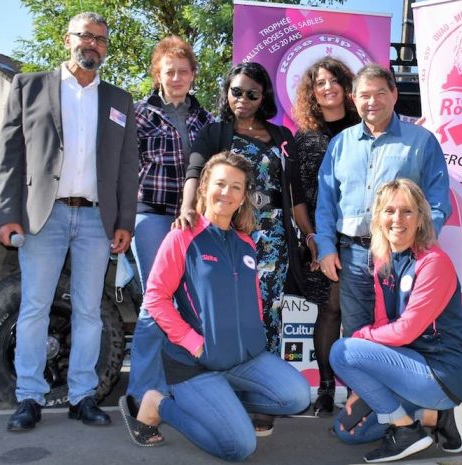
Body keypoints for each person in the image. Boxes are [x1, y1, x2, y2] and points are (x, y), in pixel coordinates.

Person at [0, 12, 139, 431]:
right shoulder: (29, 86)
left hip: (97, 219)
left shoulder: (118, 100)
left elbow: (128, 166)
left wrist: (124, 221)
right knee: (35, 307)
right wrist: (7, 213)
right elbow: (10, 156)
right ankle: (29, 398)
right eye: (85, 36)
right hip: (44, 216)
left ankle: (82, 396)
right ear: (67, 39)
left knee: (90, 311)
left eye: (100, 40)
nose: (92, 44)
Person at [125, 152, 310, 460]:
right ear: (205, 187)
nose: (227, 193)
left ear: (243, 197)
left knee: (297, 396)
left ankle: (220, 402)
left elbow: (250, 300)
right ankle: (159, 405)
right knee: (239, 447)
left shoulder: (246, 243)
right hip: (194, 363)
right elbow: (156, 298)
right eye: (221, 184)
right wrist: (193, 343)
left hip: (240, 358)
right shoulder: (183, 236)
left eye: (237, 187)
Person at [176, 62, 316, 434]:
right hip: (227, 235)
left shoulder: (281, 136)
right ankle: (223, 393)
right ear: (227, 92)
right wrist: (189, 209)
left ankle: (262, 399)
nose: (242, 99)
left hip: (271, 241)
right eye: (236, 91)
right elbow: (195, 172)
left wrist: (311, 235)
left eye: (252, 93)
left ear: (264, 97)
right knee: (224, 314)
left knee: (267, 314)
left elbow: (295, 194)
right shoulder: (214, 132)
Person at [329, 179, 462, 463]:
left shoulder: (434, 263)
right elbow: (385, 323)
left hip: (443, 373)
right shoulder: (383, 259)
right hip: (408, 368)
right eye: (389, 210)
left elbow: (405, 332)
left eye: (407, 211)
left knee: (342, 351)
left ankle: (406, 429)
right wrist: (367, 384)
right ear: (379, 217)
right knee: (348, 432)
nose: (397, 219)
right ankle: (433, 415)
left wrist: (360, 339)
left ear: (420, 218)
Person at [121, 35, 213, 446]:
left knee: (189, 304)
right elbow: (125, 169)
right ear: (157, 74)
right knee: (155, 301)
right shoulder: (139, 113)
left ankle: (176, 389)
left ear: (193, 75)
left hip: (194, 221)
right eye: (168, 70)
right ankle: (141, 392)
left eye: (183, 71)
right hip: (153, 217)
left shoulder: (205, 119)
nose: (176, 77)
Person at [315, 63, 451, 341]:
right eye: (364, 95)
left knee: (402, 330)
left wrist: (422, 242)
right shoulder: (340, 144)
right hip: (351, 255)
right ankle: (359, 387)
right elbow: (326, 201)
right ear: (354, 99)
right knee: (356, 335)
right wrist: (326, 248)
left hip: (401, 255)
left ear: (394, 94)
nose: (372, 101)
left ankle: (394, 384)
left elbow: (438, 199)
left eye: (380, 93)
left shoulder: (421, 141)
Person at [291, 57, 360, 416]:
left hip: (363, 237)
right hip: (322, 241)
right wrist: (312, 238)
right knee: (330, 311)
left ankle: (362, 391)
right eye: (320, 82)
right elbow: (298, 195)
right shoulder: (304, 138)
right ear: (311, 91)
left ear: (347, 87)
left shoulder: (365, 127)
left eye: (335, 80)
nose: (328, 87)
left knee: (364, 315)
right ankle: (326, 388)